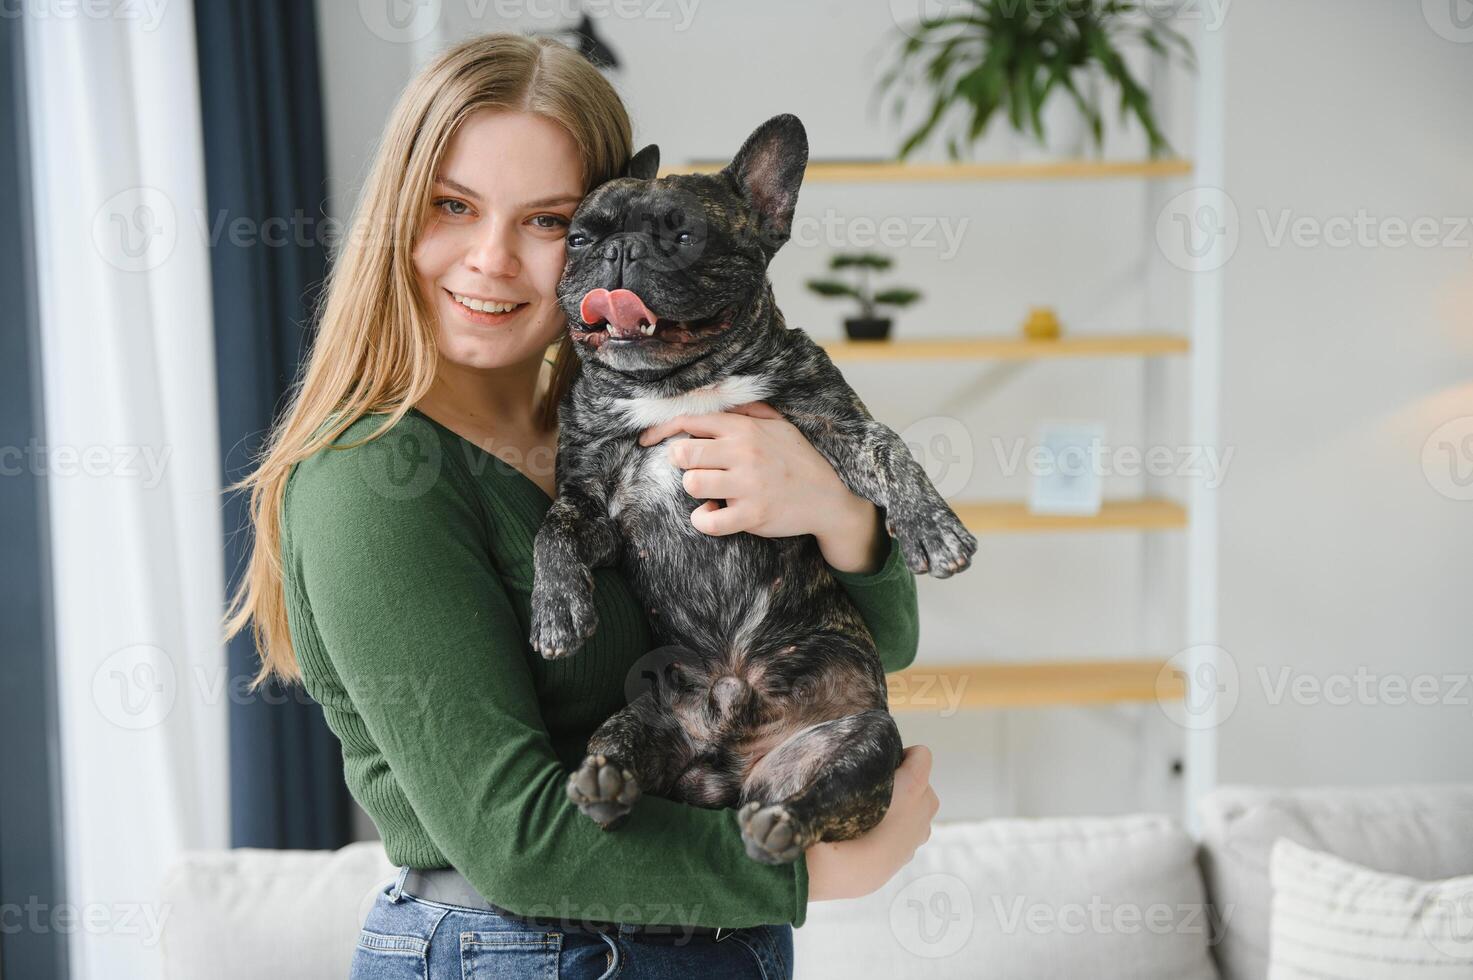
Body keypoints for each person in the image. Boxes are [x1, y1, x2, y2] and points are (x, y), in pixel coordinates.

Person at [223, 32, 940, 980]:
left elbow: (867, 650)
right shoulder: (373, 481)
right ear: (396, 212)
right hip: (525, 950)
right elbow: (514, 841)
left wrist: (835, 508)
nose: (490, 260)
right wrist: (816, 877)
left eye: (547, 220)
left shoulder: (617, 426)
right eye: (452, 205)